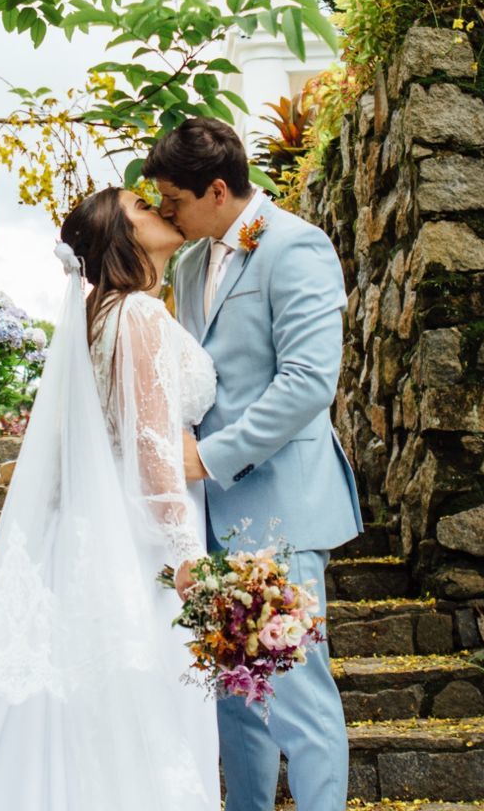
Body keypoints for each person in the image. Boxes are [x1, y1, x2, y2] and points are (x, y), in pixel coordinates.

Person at [0, 186, 220, 810]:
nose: (158, 208)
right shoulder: (136, 314)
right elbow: (149, 443)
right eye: (140, 206)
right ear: (119, 237)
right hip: (144, 546)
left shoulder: (100, 317)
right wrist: (189, 553)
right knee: (144, 723)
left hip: (105, 532)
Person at [146, 116, 362, 811]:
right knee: (234, 699)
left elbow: (307, 383)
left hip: (281, 507)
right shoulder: (186, 263)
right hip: (211, 519)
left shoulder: (297, 247)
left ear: (215, 189)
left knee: (297, 692)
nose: (165, 216)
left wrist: (207, 458)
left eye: (172, 202)